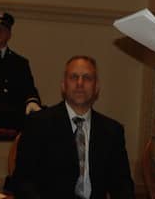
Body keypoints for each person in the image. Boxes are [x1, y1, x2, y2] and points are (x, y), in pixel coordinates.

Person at [12, 55, 134, 199]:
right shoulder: (38, 124)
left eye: (87, 78)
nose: (80, 83)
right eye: (73, 77)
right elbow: (23, 182)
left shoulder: (112, 131)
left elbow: (123, 186)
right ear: (63, 85)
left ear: (97, 88)